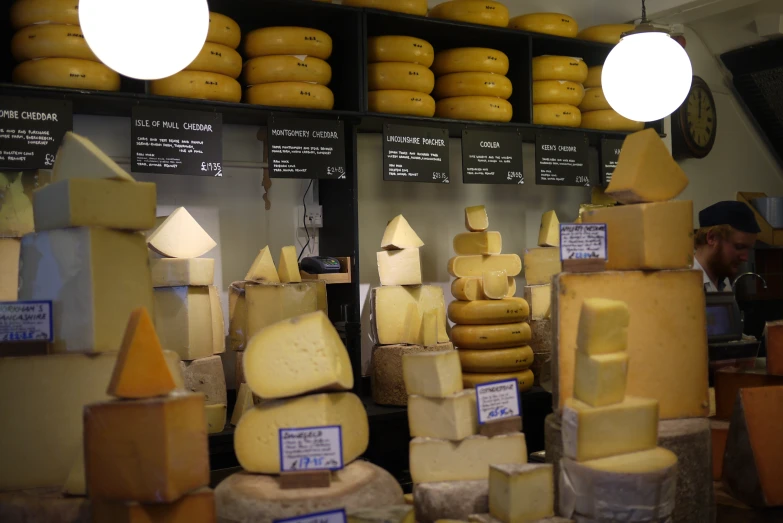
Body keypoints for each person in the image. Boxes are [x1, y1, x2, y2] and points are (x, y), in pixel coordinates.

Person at [693, 201, 760, 292]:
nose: (745, 258)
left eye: (748, 249)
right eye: (739, 247)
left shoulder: (724, 282)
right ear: (712, 237)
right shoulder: (684, 284)